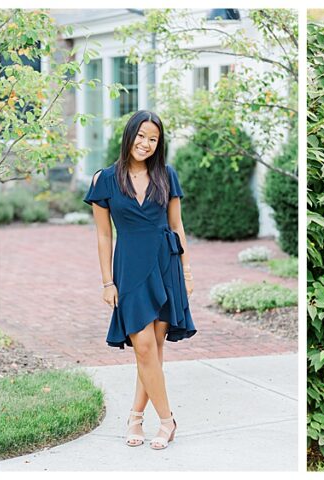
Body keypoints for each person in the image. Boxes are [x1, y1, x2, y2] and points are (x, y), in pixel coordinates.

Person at [84, 110, 196, 449]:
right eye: (141, 135)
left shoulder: (167, 175)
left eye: (153, 139)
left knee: (153, 350)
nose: (145, 144)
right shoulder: (104, 179)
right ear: (129, 134)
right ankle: (167, 420)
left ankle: (135, 416)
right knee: (143, 345)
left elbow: (177, 226)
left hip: (166, 264)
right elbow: (104, 236)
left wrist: (187, 272)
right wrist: (107, 282)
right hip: (130, 268)